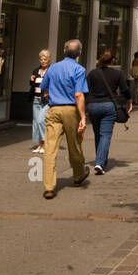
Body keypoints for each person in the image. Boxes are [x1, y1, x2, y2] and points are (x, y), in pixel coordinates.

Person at [41, 40, 91, 199]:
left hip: (54, 109)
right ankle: (78, 175)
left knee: (50, 148)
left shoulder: (53, 68)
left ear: (63, 51)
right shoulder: (79, 69)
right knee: (74, 144)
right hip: (71, 110)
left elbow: (44, 88)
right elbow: (79, 95)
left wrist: (51, 93)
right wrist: (83, 116)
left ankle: (49, 186)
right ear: (79, 53)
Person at [85, 49, 131, 175]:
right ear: (113, 60)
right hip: (109, 106)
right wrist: (129, 100)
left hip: (93, 106)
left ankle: (100, 161)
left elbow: (85, 90)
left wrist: (86, 106)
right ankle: (100, 163)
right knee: (105, 134)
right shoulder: (117, 74)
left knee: (97, 134)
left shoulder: (93, 73)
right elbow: (125, 90)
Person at [28, 49, 51, 154]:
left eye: (45, 59)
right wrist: (31, 80)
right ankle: (38, 144)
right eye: (41, 59)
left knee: (42, 120)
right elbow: (33, 85)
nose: (43, 61)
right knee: (36, 122)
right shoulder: (36, 71)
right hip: (36, 99)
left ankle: (44, 143)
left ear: (48, 60)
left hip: (46, 100)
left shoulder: (51, 71)